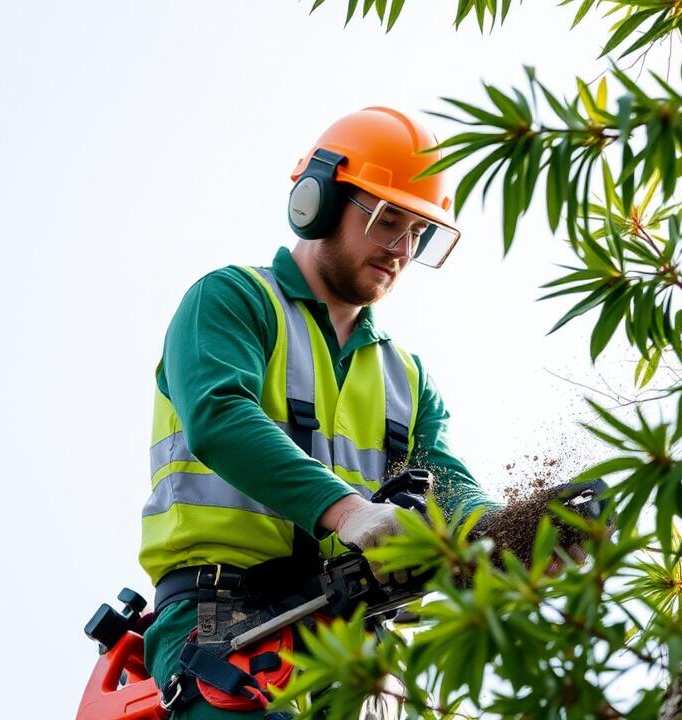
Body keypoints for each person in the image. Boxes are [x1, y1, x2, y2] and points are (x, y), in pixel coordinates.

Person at [137, 106, 497, 719]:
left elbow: (450, 487)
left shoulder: (406, 379)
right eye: (389, 221)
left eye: (419, 233)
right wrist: (349, 511)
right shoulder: (232, 301)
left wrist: (513, 535)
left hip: (355, 640)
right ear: (319, 201)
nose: (402, 249)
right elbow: (220, 416)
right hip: (223, 612)